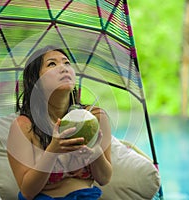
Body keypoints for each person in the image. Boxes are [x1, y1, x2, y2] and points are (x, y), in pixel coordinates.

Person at [7, 45, 112, 200]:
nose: (63, 68)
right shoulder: (24, 126)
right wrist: (52, 151)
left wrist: (95, 151)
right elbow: (28, 192)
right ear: (35, 80)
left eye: (66, 63)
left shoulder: (95, 117)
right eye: (52, 64)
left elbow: (105, 179)